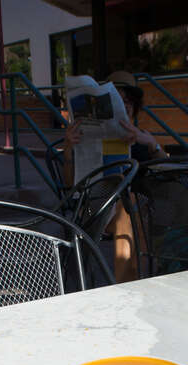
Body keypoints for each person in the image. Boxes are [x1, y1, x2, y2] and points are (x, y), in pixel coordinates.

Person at [63, 70, 167, 282]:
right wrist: (67, 149)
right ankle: (126, 285)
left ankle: (143, 278)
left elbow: (167, 174)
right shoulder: (83, 138)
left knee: (128, 211)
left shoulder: (142, 138)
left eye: (128, 100)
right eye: (117, 99)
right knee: (122, 211)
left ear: (135, 107)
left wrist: (152, 144)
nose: (124, 104)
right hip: (95, 205)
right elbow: (68, 186)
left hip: (137, 208)